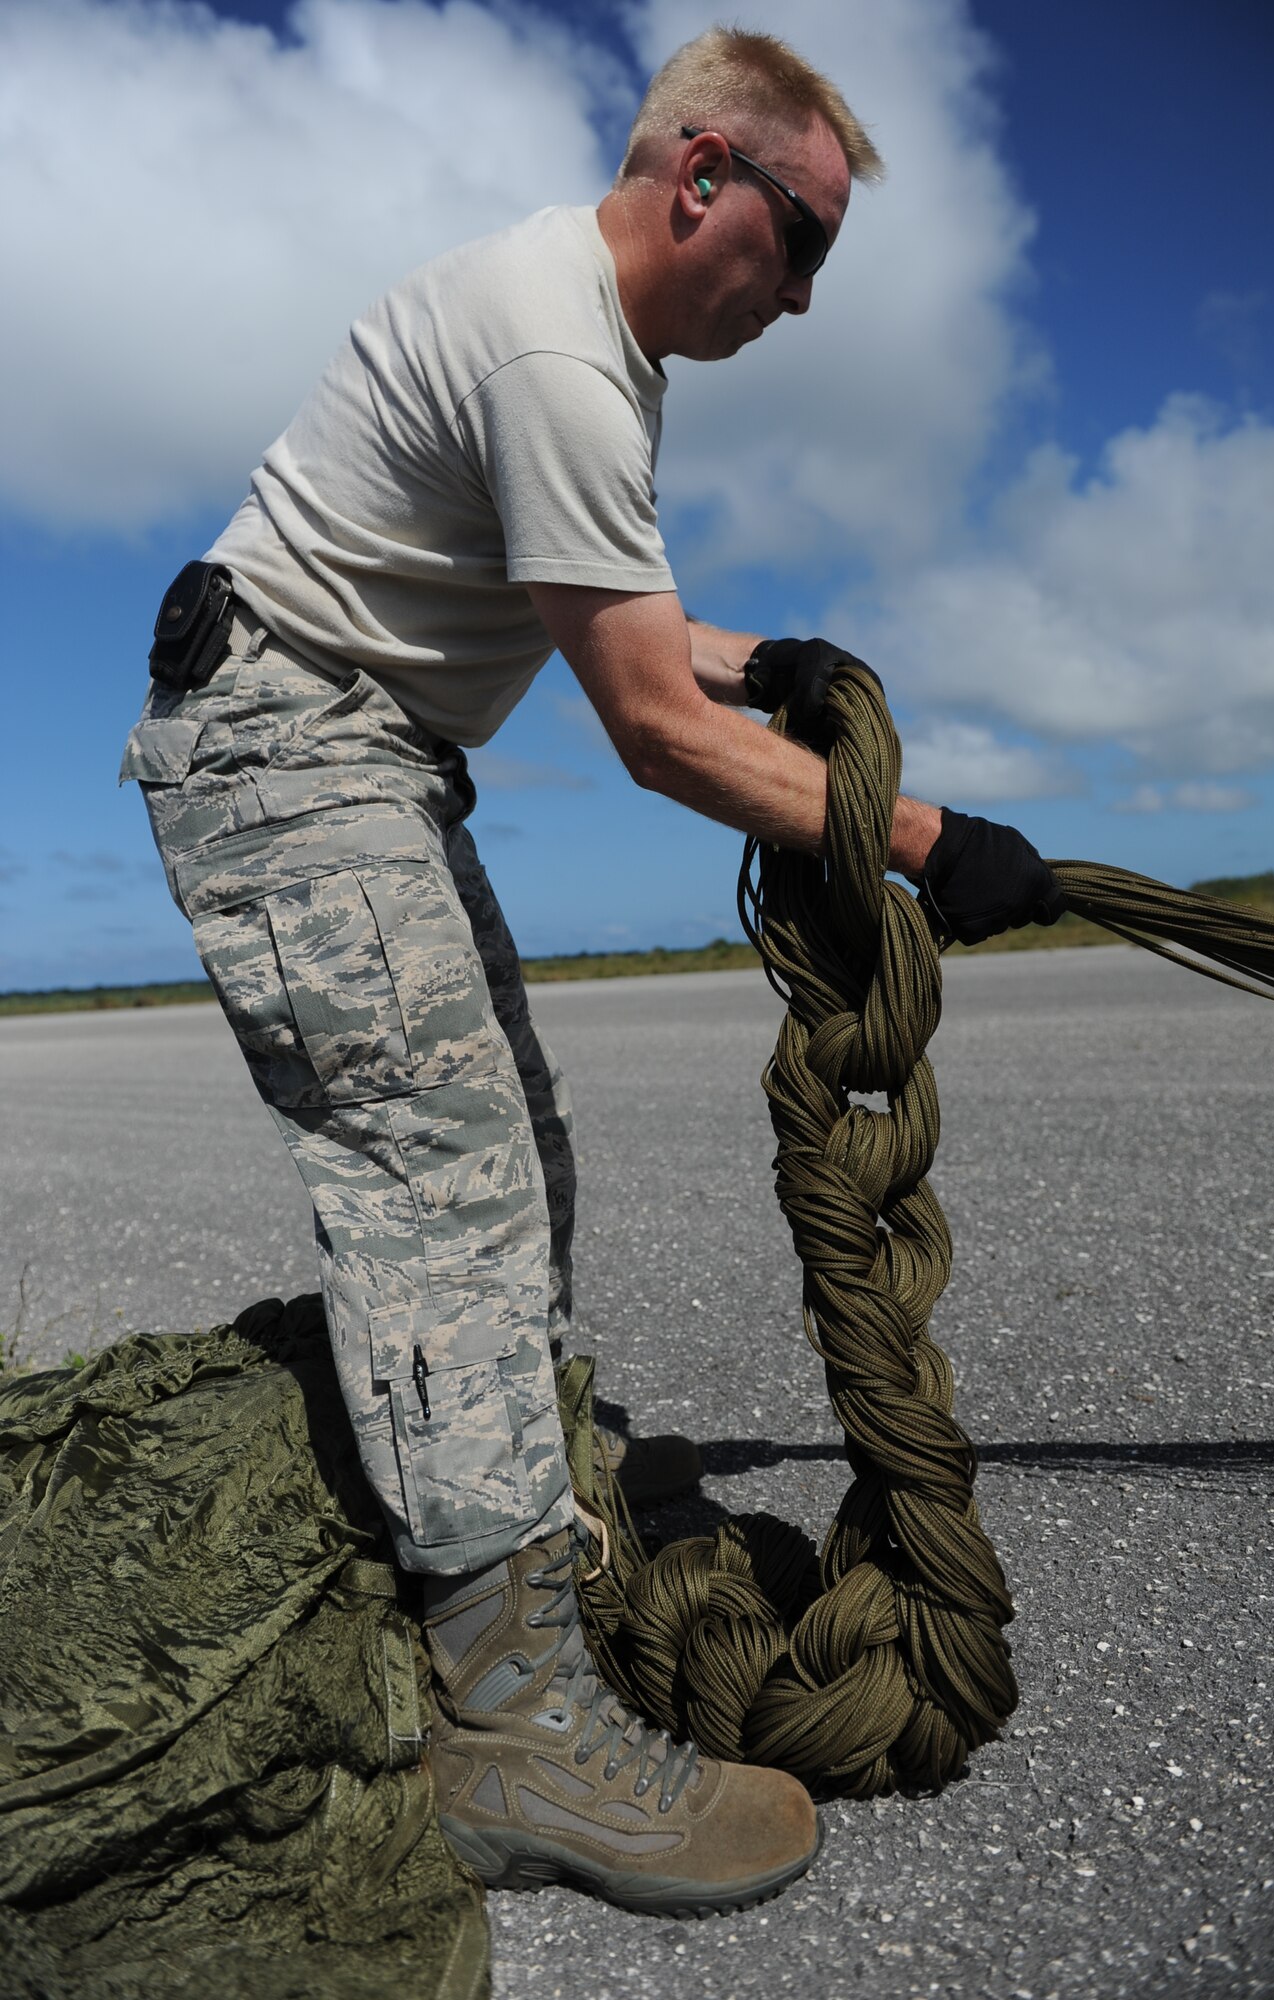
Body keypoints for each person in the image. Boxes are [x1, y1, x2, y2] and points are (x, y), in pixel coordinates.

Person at [122, 26, 1062, 1917]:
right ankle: (515, 1730)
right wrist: (921, 838)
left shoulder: (587, 342)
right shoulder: (561, 343)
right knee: (446, 1199)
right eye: (802, 243)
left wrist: (764, 660)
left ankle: (512, 1542)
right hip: (295, 755)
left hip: (361, 751)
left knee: (511, 1163)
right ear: (703, 174)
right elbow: (644, 727)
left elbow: (627, 629)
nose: (807, 295)